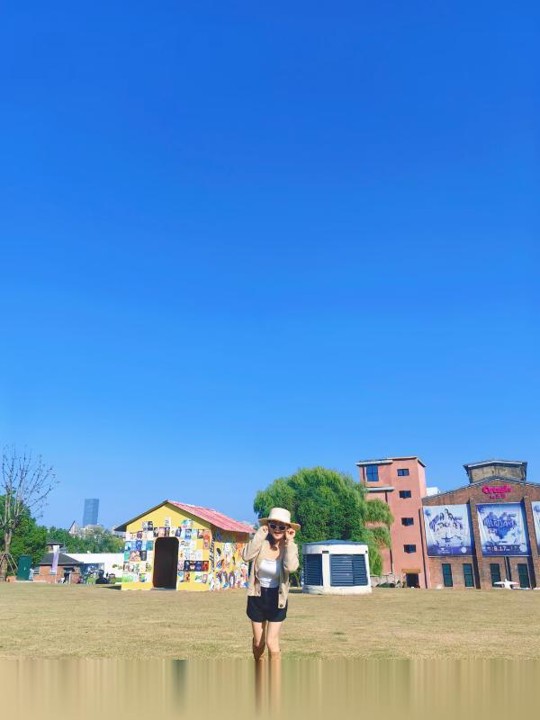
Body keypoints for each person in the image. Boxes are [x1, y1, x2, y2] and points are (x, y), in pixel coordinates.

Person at [242, 507, 300, 661]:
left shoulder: (289, 547)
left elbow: (291, 568)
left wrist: (290, 542)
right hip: (257, 595)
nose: (277, 529)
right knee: (258, 643)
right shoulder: (261, 543)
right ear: (268, 525)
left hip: (277, 598)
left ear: (288, 528)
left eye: (282, 526)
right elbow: (246, 556)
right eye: (273, 525)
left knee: (271, 642)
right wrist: (259, 535)